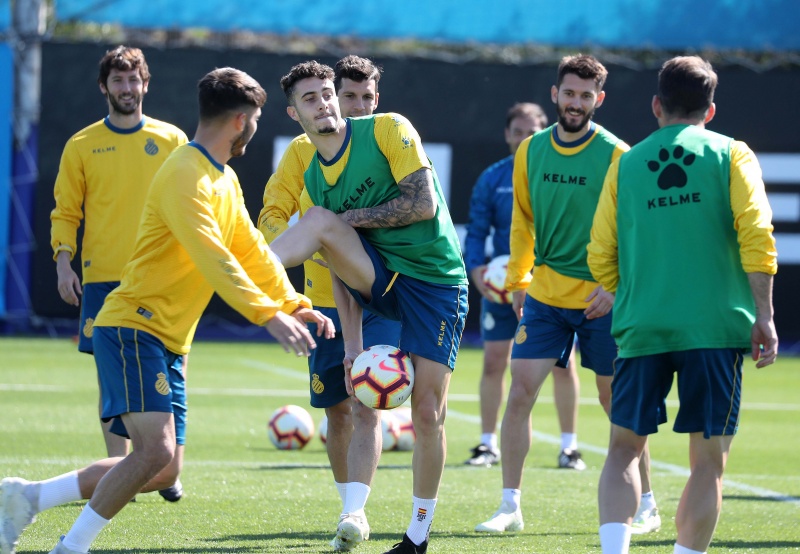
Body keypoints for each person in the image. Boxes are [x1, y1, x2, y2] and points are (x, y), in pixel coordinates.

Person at [0, 67, 334, 554]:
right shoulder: (183, 174)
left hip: (168, 341)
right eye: (258, 118)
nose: (256, 127)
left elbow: (252, 253)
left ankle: (26, 497)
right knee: (153, 451)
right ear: (242, 122)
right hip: (134, 326)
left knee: (165, 468)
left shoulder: (224, 179)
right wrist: (267, 315)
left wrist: (294, 303)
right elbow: (213, 257)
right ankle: (69, 548)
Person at [270, 61, 469, 554]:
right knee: (317, 219)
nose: (324, 103)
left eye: (327, 93)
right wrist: (353, 345)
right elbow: (339, 266)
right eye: (310, 99)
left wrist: (350, 221)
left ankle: (417, 536)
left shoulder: (388, 129)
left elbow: (421, 203)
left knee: (426, 412)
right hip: (377, 280)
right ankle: (246, 274)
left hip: (435, 282)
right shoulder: (314, 176)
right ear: (294, 114)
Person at [589, 55, 778, 554]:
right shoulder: (732, 154)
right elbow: (757, 235)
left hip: (642, 326)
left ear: (656, 105)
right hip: (713, 330)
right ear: (710, 111)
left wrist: (628, 291)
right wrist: (765, 314)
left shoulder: (626, 164)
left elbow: (599, 252)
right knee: (708, 463)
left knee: (623, 451)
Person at [474, 54, 658, 534]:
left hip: (602, 300)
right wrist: (518, 281)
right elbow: (522, 223)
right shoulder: (530, 151)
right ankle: (509, 506)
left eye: (586, 95)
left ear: (599, 99)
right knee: (521, 393)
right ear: (554, 94)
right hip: (546, 296)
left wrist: (614, 287)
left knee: (617, 401)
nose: (576, 103)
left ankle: (648, 504)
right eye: (569, 93)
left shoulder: (620, 155)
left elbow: (638, 230)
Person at [257, 55, 401, 552]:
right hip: (323, 302)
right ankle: (348, 508)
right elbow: (270, 214)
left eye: (364, 98)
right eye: (347, 96)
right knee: (337, 411)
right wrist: (315, 241)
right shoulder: (302, 153)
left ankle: (354, 512)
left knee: (369, 404)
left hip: (380, 295)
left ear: (374, 100)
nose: (353, 106)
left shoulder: (385, 141)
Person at [49, 45, 188, 502]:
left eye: (134, 80)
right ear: (104, 87)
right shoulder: (82, 144)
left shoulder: (172, 140)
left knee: (174, 366)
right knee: (112, 378)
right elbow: (65, 212)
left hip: (163, 277)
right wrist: (63, 262)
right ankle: (121, 470)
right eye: (118, 80)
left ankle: (167, 466)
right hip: (104, 277)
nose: (127, 88)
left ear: (146, 85)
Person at [463, 102, 585, 470]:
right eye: (517, 132)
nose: (523, 139)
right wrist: (477, 271)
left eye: (531, 132)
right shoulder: (492, 178)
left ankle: (569, 447)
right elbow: (477, 229)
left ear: (544, 132)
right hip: (503, 288)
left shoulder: (558, 171)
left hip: (552, 287)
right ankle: (487, 444)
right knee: (494, 362)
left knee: (565, 366)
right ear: (507, 135)